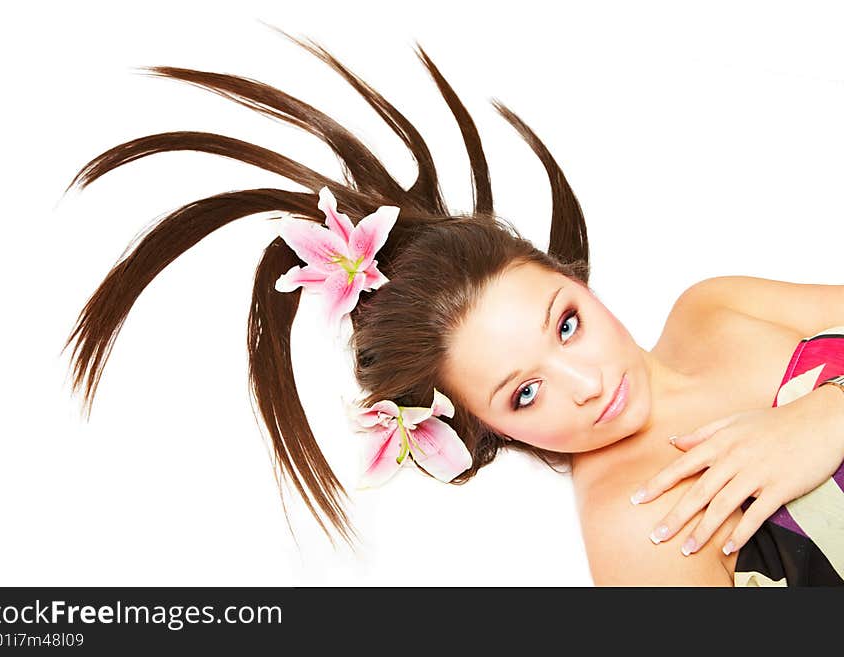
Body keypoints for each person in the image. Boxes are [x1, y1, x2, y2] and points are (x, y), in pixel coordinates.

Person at [62, 29, 844, 587]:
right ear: (483, 425)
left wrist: (824, 419)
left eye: (565, 321)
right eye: (524, 392)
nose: (584, 383)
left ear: (570, 274)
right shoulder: (639, 525)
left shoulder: (712, 307)